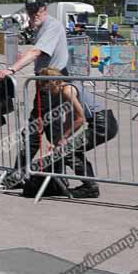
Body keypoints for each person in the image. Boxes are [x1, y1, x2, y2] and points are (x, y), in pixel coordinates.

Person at [0, 0, 70, 187]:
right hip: (45, 82)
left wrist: (12, 69)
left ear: (44, 9)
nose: (32, 14)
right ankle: (54, 176)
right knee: (44, 130)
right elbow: (38, 53)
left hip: (52, 82)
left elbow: (37, 52)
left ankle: (44, 176)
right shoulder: (41, 27)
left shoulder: (52, 25)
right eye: (30, 11)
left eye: (36, 11)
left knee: (42, 130)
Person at [36, 67, 119, 198]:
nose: (45, 91)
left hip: (103, 124)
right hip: (102, 122)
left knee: (68, 150)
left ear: (51, 83)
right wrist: (60, 140)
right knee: (72, 149)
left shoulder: (67, 90)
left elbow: (80, 119)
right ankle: (90, 185)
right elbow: (70, 118)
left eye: (44, 87)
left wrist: (63, 139)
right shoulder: (67, 89)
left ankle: (90, 187)